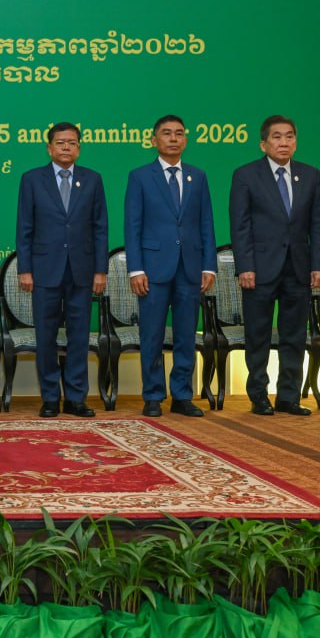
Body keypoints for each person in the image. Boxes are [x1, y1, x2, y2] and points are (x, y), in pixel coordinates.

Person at [229, 115, 320, 416]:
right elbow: (240, 225)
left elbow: (319, 224)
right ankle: (258, 395)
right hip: (259, 268)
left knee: (294, 335)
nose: (284, 142)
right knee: (258, 334)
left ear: (295, 142)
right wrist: (245, 265)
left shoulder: (310, 175)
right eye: (277, 137)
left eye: (289, 136)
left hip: (298, 268)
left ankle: (289, 396)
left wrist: (319, 264)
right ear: (264, 144)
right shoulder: (246, 175)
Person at [123, 115, 216, 418]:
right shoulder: (140, 176)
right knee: (151, 335)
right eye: (166, 133)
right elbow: (132, 226)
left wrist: (209, 265)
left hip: (190, 268)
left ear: (185, 140)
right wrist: (136, 269)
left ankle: (182, 395)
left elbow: (206, 223)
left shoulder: (198, 176)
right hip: (153, 269)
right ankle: (153, 395)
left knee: (186, 335)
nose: (173, 138)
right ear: (154, 140)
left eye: (178, 133)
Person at [15, 122, 108, 418]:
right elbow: (24, 228)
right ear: (49, 148)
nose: (66, 147)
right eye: (60, 142)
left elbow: (100, 228)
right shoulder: (32, 179)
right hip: (45, 270)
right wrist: (25, 269)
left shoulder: (93, 179)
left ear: (79, 148)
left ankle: (76, 398)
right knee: (46, 337)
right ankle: (51, 398)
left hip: (82, 270)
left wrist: (100, 270)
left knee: (79, 336)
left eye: (72, 142)